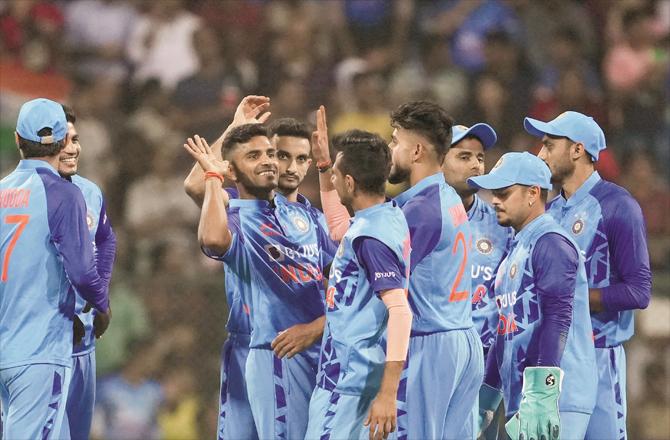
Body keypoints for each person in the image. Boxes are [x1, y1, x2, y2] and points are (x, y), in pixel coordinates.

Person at [183, 123, 336, 440]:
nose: (285, 166)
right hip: (252, 343)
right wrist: (235, 127)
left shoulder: (310, 218)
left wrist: (320, 326)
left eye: (300, 158)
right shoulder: (236, 210)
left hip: (306, 346)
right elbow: (197, 186)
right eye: (280, 155)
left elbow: (346, 283)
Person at [525, 111, 652, 439]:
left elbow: (638, 291)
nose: (541, 155)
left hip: (599, 355)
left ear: (577, 150)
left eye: (549, 145)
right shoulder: (549, 211)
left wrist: (573, 300)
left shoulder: (618, 206)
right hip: (553, 358)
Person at [0, 98, 110, 439]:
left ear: (18, 139)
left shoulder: (2, 191)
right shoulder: (63, 193)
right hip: (41, 348)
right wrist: (102, 305)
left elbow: (106, 240)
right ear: (63, 140)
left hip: (7, 345)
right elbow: (80, 272)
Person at [469, 152, 597, 440]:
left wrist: (543, 391)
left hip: (555, 398)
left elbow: (558, 316)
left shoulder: (551, 243)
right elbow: (505, 331)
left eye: (503, 192)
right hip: (524, 395)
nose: (494, 200)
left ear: (532, 193)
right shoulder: (517, 249)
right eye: (493, 192)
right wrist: (486, 399)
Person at [305, 130, 413, 440]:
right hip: (361, 377)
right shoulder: (388, 216)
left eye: (337, 176)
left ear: (350, 182)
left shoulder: (369, 239)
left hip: (347, 383)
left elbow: (401, 312)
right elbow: (341, 227)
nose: (333, 181)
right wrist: (325, 165)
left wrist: (389, 393)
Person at [443, 123, 513, 439]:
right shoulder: (413, 215)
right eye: (463, 156)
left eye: (480, 157)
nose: (475, 164)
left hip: (485, 366)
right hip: (433, 358)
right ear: (439, 160)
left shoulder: (502, 224)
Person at [58, 105, 117, 440]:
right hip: (45, 339)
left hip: (84, 338)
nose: (72, 147)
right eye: (63, 140)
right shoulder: (29, 195)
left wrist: (101, 298)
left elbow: (106, 238)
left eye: (75, 139)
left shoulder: (89, 191)